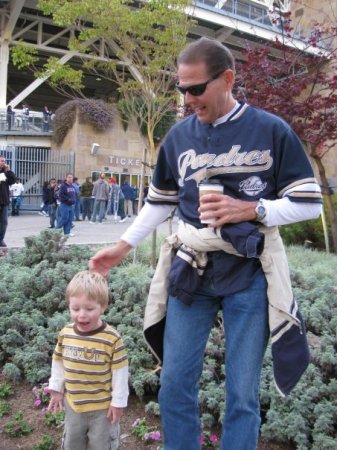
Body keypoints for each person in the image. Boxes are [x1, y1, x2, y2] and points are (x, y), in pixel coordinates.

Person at [89, 37, 322, 450]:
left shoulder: (270, 130)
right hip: (190, 270)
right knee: (175, 382)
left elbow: (307, 203)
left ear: (227, 79)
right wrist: (122, 246)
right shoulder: (179, 137)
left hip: (248, 273)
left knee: (242, 393)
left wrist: (253, 210)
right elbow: (159, 203)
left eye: (197, 89)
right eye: (182, 90)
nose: (188, 99)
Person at [47, 270, 129, 450]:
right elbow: (58, 361)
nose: (81, 315)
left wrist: (118, 402)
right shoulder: (66, 334)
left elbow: (120, 373)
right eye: (75, 309)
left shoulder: (112, 339)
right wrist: (56, 387)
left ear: (103, 306)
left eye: (89, 309)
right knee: (72, 444)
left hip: (103, 410)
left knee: (101, 445)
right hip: (73, 406)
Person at [0, 156, 16, 247]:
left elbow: (13, 181)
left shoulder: (6, 173)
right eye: (1, 161)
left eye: (4, 161)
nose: (3, 162)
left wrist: (9, 171)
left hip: (4, 201)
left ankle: (1, 239)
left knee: (4, 222)